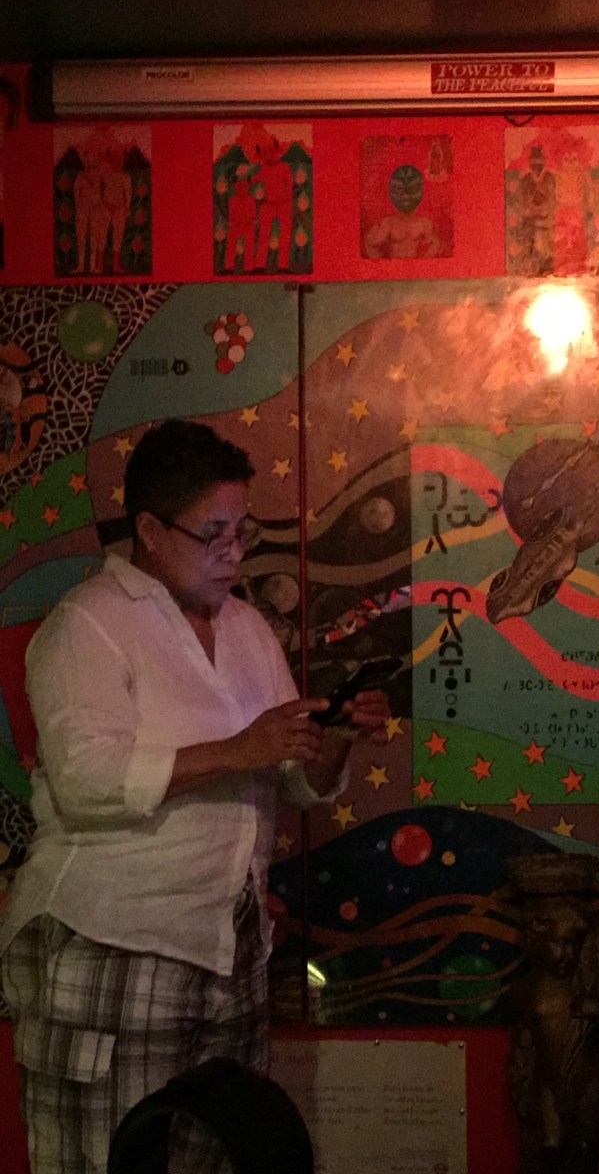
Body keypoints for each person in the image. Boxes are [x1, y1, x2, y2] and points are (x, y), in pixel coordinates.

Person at [0, 418, 390, 1174]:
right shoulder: (89, 624)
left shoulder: (246, 628)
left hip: (230, 947)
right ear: (150, 530)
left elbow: (293, 779)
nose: (234, 553)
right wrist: (240, 749)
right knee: (110, 1159)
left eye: (244, 532)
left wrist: (334, 736)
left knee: (216, 1156)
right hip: (117, 940)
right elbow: (84, 779)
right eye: (214, 534)